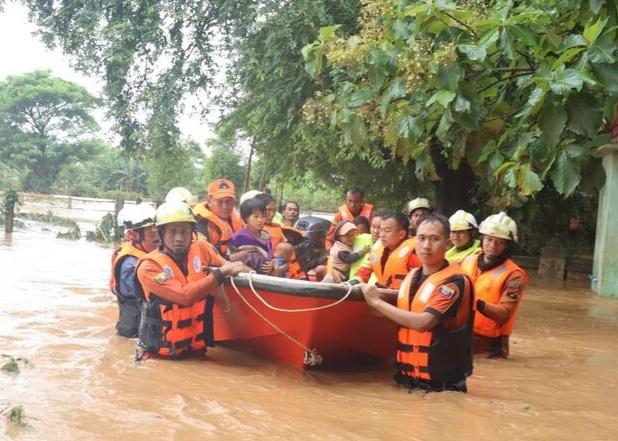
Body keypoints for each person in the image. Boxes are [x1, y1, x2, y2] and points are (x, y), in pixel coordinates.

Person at [361, 214, 474, 392]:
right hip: (406, 379)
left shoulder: (454, 282)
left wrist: (376, 302)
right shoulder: (412, 276)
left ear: (447, 243)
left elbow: (423, 323)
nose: (426, 246)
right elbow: (385, 313)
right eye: (421, 238)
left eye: (435, 239)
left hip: (440, 387)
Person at [136, 201, 246, 359]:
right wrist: (219, 274)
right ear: (160, 234)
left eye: (185, 232)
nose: (179, 238)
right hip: (160, 357)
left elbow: (230, 265)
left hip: (196, 351)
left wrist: (251, 271)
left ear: (192, 233)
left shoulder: (201, 248)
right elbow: (185, 296)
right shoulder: (149, 267)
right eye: (172, 232)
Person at [460, 212, 528, 358]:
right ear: (483, 239)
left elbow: (503, 314)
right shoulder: (467, 261)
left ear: (507, 246)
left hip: (490, 347)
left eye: (500, 242)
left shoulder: (515, 275)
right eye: (489, 239)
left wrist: (473, 301)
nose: (492, 246)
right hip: (462, 337)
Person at [110, 203, 158, 338]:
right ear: (134, 234)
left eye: (158, 229)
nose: (158, 236)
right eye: (152, 231)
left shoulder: (147, 254)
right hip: (133, 330)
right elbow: (141, 295)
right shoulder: (130, 264)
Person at [353, 213, 420, 289]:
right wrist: (352, 283)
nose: (381, 235)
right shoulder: (378, 249)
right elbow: (364, 272)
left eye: (387, 231)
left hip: (402, 297)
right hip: (382, 295)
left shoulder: (415, 254)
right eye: (381, 230)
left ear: (401, 234)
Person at [193, 179, 244, 255]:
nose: (225, 206)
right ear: (209, 201)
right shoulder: (200, 225)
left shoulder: (238, 218)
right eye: (220, 201)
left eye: (229, 201)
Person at [228, 197, 274, 275]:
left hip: (265, 277)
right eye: (256, 216)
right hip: (244, 278)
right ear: (246, 218)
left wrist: (272, 264)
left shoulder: (266, 237)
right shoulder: (238, 237)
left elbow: (270, 257)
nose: (260, 220)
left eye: (263, 217)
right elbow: (229, 259)